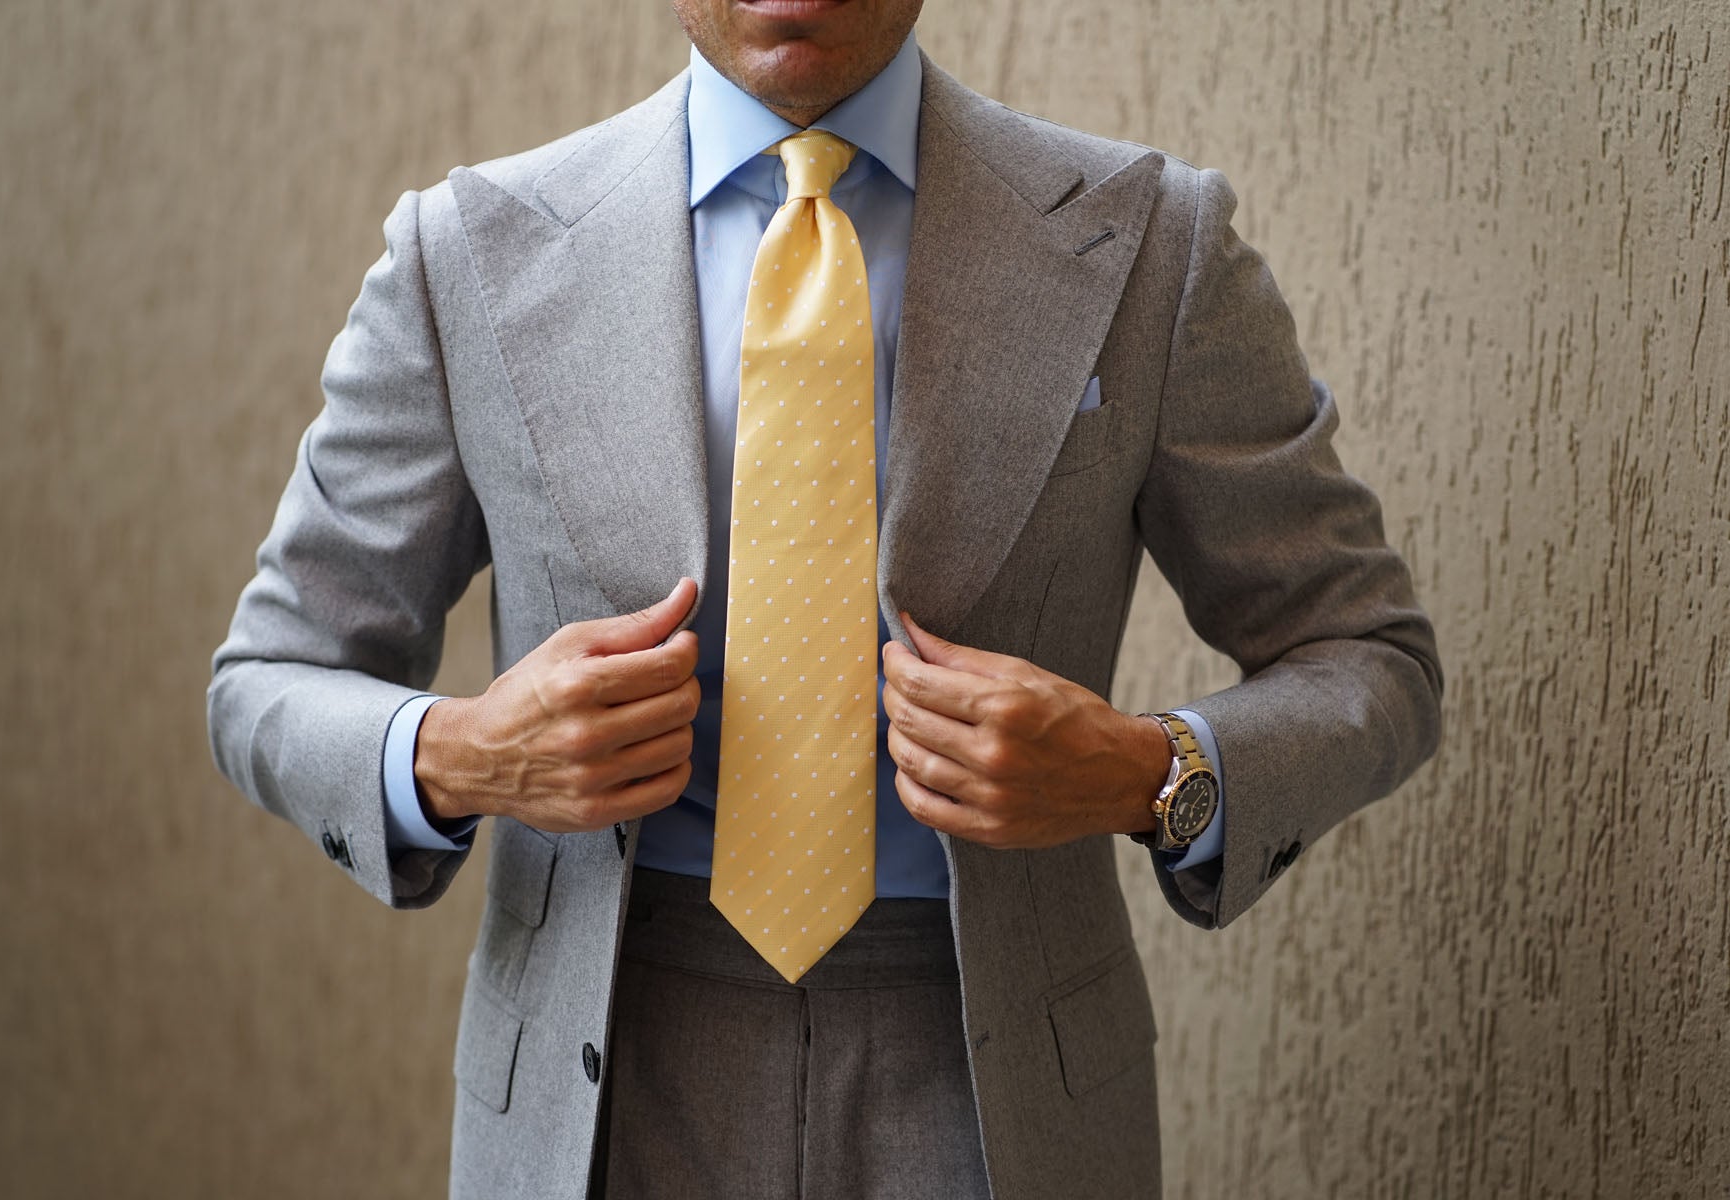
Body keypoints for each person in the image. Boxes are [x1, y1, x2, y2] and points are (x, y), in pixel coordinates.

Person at [207, 1, 1441, 1196]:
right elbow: (268, 677)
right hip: (606, 1072)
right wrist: (464, 753)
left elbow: (1369, 657)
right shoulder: (465, 254)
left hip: (990, 1080)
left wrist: (1147, 772)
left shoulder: (1155, 243)